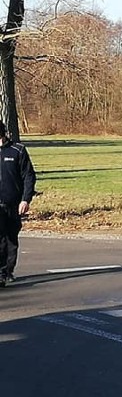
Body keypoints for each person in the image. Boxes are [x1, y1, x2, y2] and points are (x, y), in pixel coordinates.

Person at [0, 120, 36, 287]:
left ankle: (8, 271)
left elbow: (28, 176)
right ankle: (0, 272)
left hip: (13, 203)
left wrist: (25, 199)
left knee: (11, 239)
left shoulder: (17, 150)